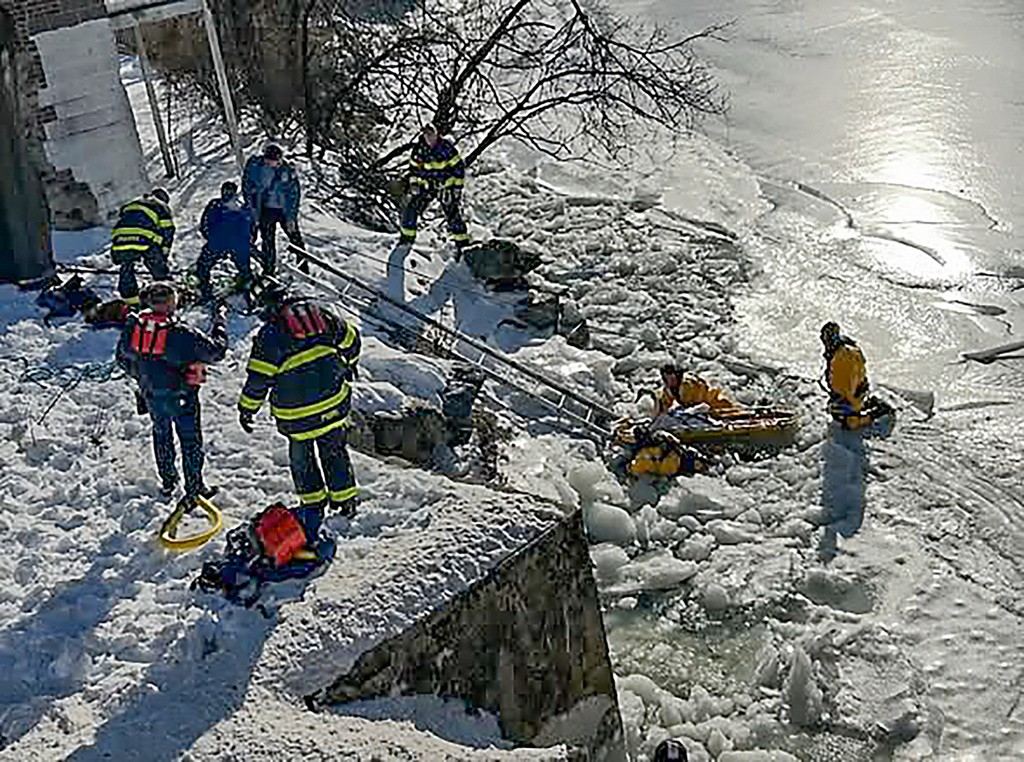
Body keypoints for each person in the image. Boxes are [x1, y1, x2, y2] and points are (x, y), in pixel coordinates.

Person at [237, 280, 361, 541]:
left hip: (296, 417)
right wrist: (348, 365)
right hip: (334, 405)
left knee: (302, 459)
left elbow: (259, 380)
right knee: (334, 451)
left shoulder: (270, 335)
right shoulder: (321, 316)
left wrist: (246, 409)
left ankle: (313, 505)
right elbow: (351, 340)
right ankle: (345, 501)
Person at [116, 282, 227, 501]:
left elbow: (122, 358)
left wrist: (142, 376)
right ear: (170, 303)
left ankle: (168, 482)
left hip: (151, 395)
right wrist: (220, 323)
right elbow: (216, 351)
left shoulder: (134, 326)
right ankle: (195, 488)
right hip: (181, 395)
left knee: (161, 435)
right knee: (190, 441)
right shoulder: (179, 332)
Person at [397, 123, 470, 253]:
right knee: (411, 210)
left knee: (452, 215)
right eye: (426, 134)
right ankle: (406, 241)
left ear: (437, 134)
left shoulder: (447, 149)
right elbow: (413, 170)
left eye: (431, 134)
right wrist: (414, 185)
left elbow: (458, 169)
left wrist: (455, 190)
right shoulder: (419, 149)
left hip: (444, 188)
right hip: (426, 188)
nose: (429, 137)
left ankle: (463, 246)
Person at [242, 144, 303, 275]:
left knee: (296, 239)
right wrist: (252, 210)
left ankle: (303, 269)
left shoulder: (287, 171)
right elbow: (247, 186)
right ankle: (269, 270)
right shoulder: (256, 168)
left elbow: (294, 195)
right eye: (268, 160)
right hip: (265, 210)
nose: (270, 163)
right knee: (268, 242)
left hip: (284, 211)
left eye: (273, 161)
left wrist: (291, 217)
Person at [110, 189, 174, 307]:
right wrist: (164, 253)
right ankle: (165, 293)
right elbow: (168, 229)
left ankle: (131, 301)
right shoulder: (161, 206)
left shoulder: (132, 203)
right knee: (156, 265)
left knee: (126, 267)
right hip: (143, 238)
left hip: (120, 238)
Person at [196, 181, 255, 303]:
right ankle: (245, 286)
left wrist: (211, 237)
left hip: (224, 244)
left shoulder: (221, 205)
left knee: (203, 265)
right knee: (203, 265)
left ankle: (206, 289)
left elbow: (204, 225)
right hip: (230, 244)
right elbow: (253, 228)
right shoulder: (240, 206)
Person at [651, 364, 739, 418]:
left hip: (715, 403)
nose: (669, 380)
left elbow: (695, 405)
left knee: (733, 413)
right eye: (666, 377)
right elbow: (665, 404)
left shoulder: (688, 384)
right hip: (704, 410)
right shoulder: (670, 389)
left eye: (671, 376)